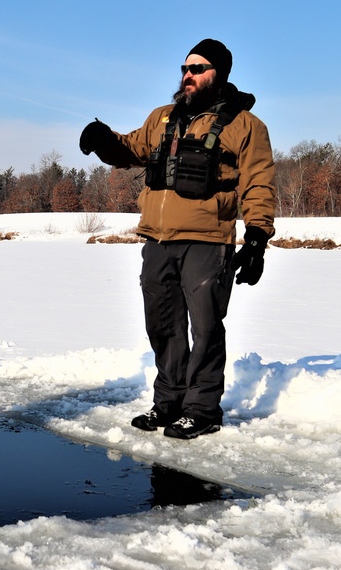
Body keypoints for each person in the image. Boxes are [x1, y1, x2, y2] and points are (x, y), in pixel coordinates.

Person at [79, 39, 275, 440]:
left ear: (219, 73)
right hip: (157, 241)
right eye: (185, 68)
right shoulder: (163, 118)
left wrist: (256, 238)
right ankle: (167, 404)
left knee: (205, 327)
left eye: (199, 68)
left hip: (208, 241)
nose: (189, 75)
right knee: (163, 326)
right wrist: (104, 139)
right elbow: (130, 149)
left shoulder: (245, 126)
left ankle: (202, 409)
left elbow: (259, 183)